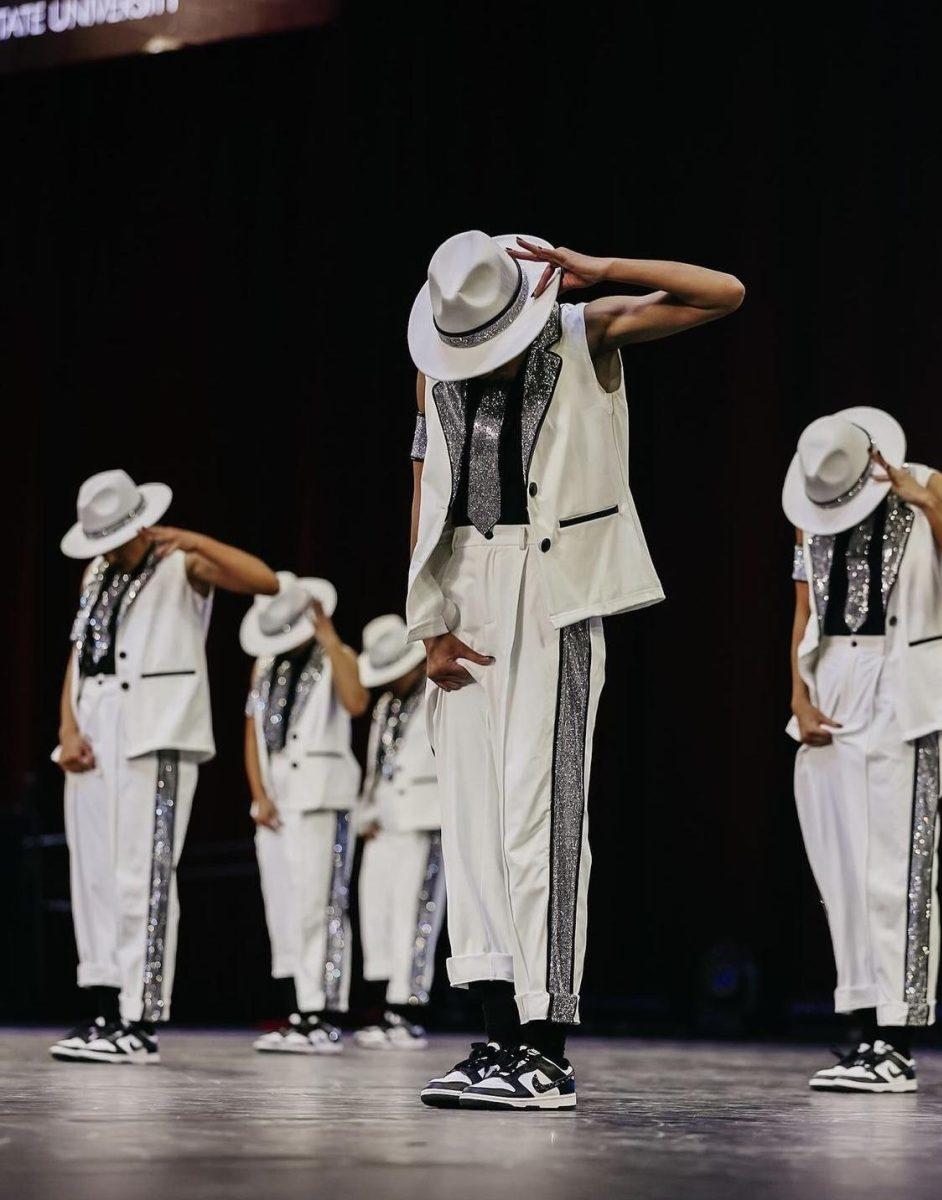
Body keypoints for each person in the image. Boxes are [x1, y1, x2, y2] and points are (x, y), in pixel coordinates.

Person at [406, 230, 744, 1110]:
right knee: (472, 822)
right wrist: (428, 623)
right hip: (468, 587)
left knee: (540, 813)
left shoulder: (578, 329)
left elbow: (723, 292)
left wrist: (602, 270)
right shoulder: (437, 363)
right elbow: (427, 489)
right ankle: (494, 1037)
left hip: (552, 588)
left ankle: (545, 1047)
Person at [51, 468, 278, 1064]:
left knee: (144, 874)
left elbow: (266, 582)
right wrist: (67, 727)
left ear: (141, 522)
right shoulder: (95, 572)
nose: (109, 549)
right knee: (94, 872)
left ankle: (140, 1018)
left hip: (156, 727)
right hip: (95, 727)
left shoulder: (182, 563)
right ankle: (103, 1007)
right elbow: (81, 653)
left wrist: (194, 540)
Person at [784, 409, 942, 1092]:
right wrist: (799, 696)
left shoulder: (931, 485)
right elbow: (804, 611)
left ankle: (895, 1040)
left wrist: (927, 505)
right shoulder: (813, 502)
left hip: (904, 689)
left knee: (895, 868)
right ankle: (862, 1030)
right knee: (841, 868)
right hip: (834, 681)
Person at [242, 573, 368, 1054]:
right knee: (286, 906)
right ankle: (300, 1007)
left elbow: (356, 703)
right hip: (279, 798)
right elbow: (252, 734)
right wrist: (260, 794)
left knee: (322, 904)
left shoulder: (338, 658)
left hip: (322, 794)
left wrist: (330, 637)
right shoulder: (265, 667)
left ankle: (325, 1013)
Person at [353, 614, 444, 1051]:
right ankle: (387, 1008)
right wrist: (366, 810)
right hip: (384, 819)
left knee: (416, 915)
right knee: (380, 915)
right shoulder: (386, 704)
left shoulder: (438, 691)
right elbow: (376, 762)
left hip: (423, 817)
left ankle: (407, 1012)